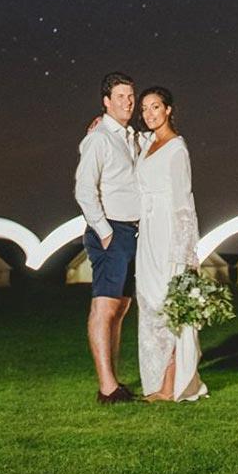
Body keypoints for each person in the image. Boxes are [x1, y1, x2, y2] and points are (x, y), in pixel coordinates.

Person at [132, 86, 207, 402]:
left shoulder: (177, 149)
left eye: (155, 107)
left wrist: (186, 251)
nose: (149, 114)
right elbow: (125, 137)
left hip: (168, 232)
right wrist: (100, 121)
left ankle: (171, 385)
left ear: (169, 110)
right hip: (147, 232)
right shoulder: (147, 143)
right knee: (150, 305)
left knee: (169, 304)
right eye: (145, 108)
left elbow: (183, 202)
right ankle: (155, 380)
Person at [73, 72, 142, 405]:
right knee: (104, 307)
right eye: (119, 97)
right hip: (112, 230)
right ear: (105, 101)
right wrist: (104, 231)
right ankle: (106, 388)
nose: (127, 103)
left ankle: (112, 382)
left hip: (134, 231)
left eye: (130, 97)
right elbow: (85, 190)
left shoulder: (131, 137)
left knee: (121, 308)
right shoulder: (99, 138)